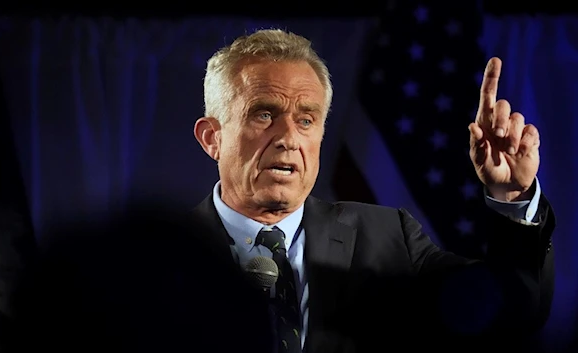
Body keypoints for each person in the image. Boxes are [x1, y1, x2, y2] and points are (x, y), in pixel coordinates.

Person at [191, 29, 555, 353]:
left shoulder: (387, 239)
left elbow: (509, 311)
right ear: (212, 138)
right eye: (264, 114)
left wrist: (511, 198)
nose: (288, 138)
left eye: (306, 120)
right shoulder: (163, 260)